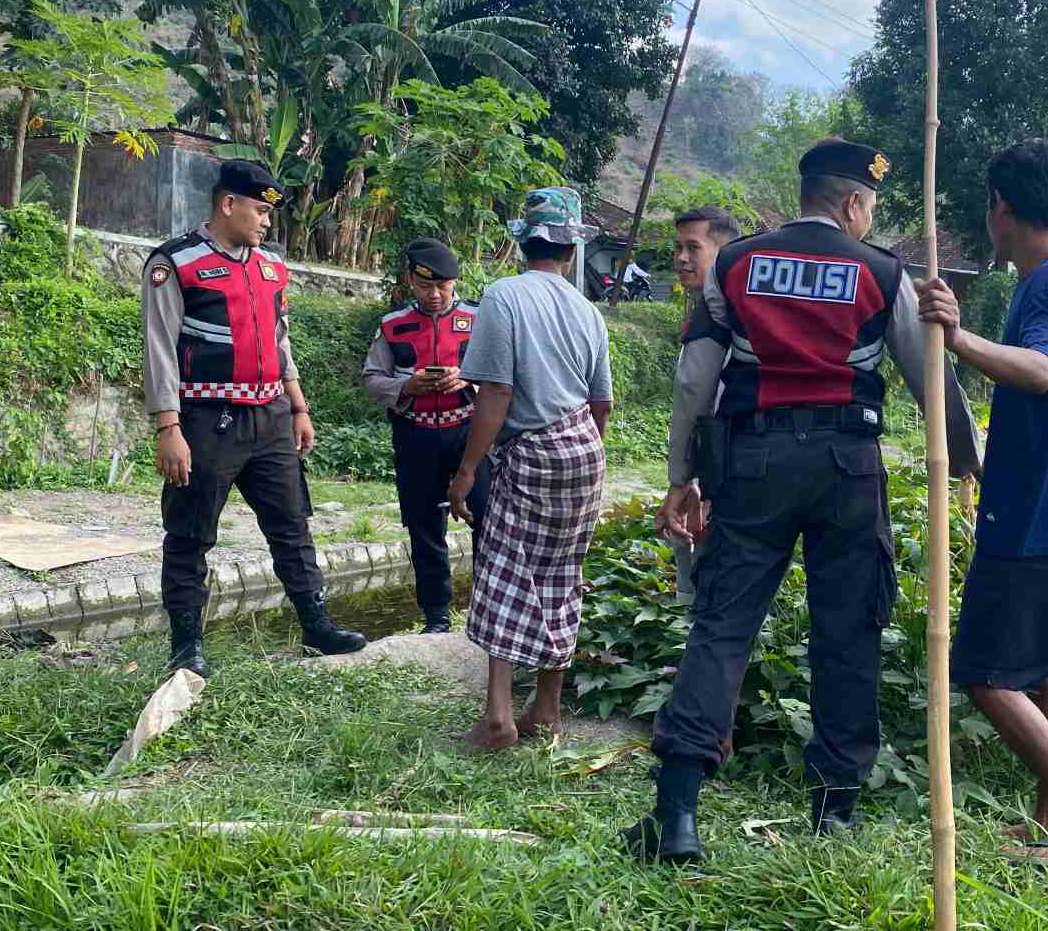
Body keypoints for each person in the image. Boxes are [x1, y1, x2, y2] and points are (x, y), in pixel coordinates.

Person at [624, 139, 981, 863]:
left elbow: (696, 380)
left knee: (721, 626)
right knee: (847, 632)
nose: (867, 216)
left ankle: (678, 814)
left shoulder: (736, 262)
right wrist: (969, 460)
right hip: (847, 467)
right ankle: (834, 815)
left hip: (751, 463)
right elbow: (928, 380)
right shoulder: (884, 271)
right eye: (870, 206)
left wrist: (680, 476)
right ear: (852, 203)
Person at [915, 138, 1048, 869]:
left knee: (985, 673)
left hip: (1033, 521)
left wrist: (956, 334)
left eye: (989, 207)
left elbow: (1041, 371)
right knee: (1043, 672)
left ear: (1003, 207)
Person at [143, 160, 366, 677]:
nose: (267, 222)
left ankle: (316, 626)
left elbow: (279, 339)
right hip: (206, 421)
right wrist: (168, 428)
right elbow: (159, 349)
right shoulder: (176, 263)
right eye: (261, 211)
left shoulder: (271, 268)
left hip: (270, 418)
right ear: (228, 205)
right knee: (190, 533)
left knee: (292, 527)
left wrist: (299, 406)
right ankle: (186, 648)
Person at [448, 187, 614, 751]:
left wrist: (468, 469)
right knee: (562, 574)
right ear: (571, 249)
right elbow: (602, 406)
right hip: (583, 453)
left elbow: (495, 389)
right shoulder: (588, 311)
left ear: (525, 242)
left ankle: (498, 717)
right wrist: (582, 460)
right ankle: (547, 709)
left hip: (531, 452)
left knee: (504, 569)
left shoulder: (504, 296)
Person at [359, 238, 489, 634]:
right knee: (424, 528)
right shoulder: (392, 325)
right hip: (415, 437)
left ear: (456, 283)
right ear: (410, 283)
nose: (434, 295)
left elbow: (504, 376)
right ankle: (436, 618)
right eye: (424, 287)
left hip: (469, 433)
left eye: (443, 287)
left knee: (487, 520)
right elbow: (371, 379)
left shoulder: (480, 320)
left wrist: (466, 378)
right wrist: (406, 388)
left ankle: (487, 611)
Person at [657, 206, 741, 600]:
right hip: (742, 462)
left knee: (714, 590)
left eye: (693, 247)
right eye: (678, 248)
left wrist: (681, 479)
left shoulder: (716, 312)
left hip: (726, 468)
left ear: (724, 253)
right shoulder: (743, 306)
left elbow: (695, 396)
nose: (681, 258)